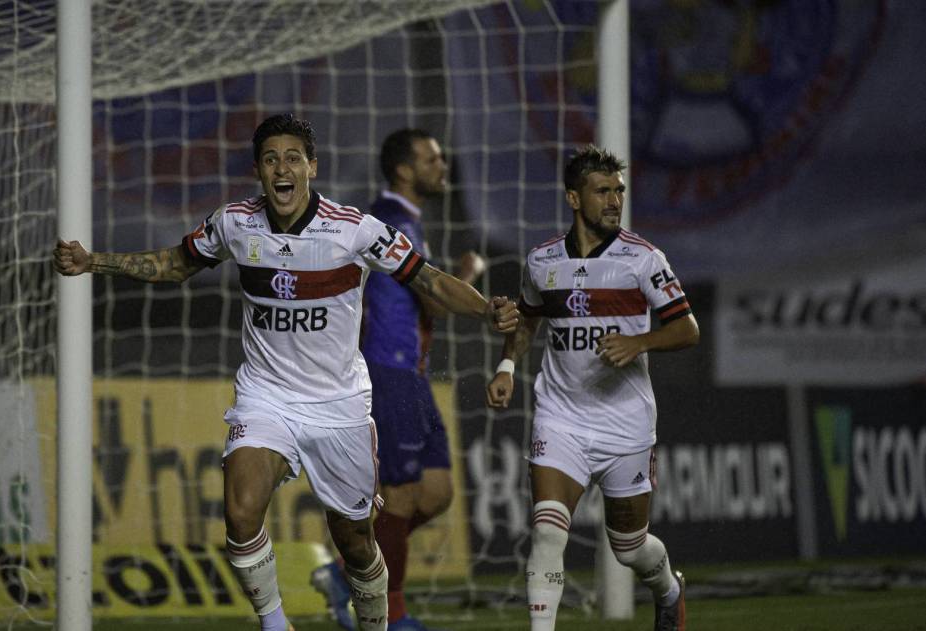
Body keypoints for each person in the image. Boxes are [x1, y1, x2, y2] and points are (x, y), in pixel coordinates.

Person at [53, 114, 520, 631]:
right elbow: (176, 262)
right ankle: (276, 625)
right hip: (265, 396)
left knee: (358, 543)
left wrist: (484, 310)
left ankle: (374, 622)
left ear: (311, 168)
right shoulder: (234, 222)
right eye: (271, 158)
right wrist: (94, 261)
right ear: (258, 170)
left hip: (339, 404)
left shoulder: (355, 230)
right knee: (241, 509)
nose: (283, 168)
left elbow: (429, 280)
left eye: (293, 158)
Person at [485, 145, 698, 631]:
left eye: (618, 191)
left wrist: (638, 341)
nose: (614, 200)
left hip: (625, 420)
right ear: (574, 198)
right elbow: (528, 322)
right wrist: (505, 367)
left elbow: (688, 330)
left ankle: (669, 588)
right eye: (602, 191)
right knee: (547, 533)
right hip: (561, 417)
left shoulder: (643, 259)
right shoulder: (542, 262)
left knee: (628, 547)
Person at [361, 128, 483, 631]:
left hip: (413, 373)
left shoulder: (405, 219)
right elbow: (434, 300)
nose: (442, 165)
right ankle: (389, 613)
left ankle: (356, 568)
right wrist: (467, 276)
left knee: (436, 493)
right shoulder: (391, 221)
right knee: (404, 494)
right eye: (432, 159)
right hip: (387, 370)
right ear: (405, 170)